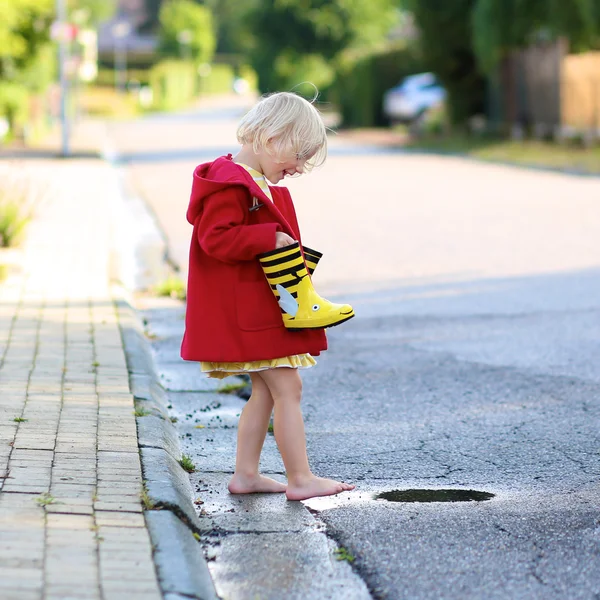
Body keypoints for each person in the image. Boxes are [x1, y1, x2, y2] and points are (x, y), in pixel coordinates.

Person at [181, 91, 355, 501]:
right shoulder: (231, 183)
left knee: (265, 391)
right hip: (252, 313)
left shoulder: (251, 180)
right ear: (272, 138)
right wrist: (268, 237)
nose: (298, 167)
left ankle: (246, 475)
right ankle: (301, 478)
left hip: (260, 308)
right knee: (288, 388)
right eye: (297, 155)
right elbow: (215, 238)